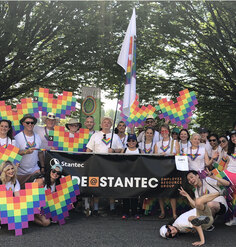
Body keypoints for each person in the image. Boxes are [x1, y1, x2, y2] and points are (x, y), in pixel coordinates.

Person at [86, 116, 123, 215]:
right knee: (96, 185)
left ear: (111, 125)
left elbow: (121, 149)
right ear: (101, 124)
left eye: (108, 122)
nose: (106, 124)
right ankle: (95, 208)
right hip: (97, 165)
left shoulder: (115, 136)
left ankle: (112, 208)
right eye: (104, 122)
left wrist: (114, 151)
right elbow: (88, 150)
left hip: (111, 165)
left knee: (110, 185)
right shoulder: (95, 136)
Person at [156, 124, 180, 220]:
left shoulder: (174, 142)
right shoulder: (157, 144)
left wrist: (169, 154)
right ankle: (162, 211)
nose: (164, 133)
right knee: (160, 191)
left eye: (165, 131)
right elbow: (154, 157)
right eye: (162, 131)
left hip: (171, 169)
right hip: (160, 169)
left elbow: (178, 155)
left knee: (172, 191)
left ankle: (174, 213)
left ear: (168, 131)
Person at [15, 114, 44, 188]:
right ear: (23, 124)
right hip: (20, 172)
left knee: (40, 183)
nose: (30, 124)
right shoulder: (17, 138)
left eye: (32, 122)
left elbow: (40, 153)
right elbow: (13, 154)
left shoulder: (37, 137)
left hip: (34, 170)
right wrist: (25, 152)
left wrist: (43, 167)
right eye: (27, 122)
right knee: (20, 193)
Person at [121, 134, 141, 219]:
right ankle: (125, 212)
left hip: (136, 175)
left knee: (135, 195)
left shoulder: (140, 150)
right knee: (125, 194)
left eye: (133, 141)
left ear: (136, 142)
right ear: (127, 142)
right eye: (129, 140)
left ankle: (134, 212)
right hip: (125, 175)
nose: (131, 142)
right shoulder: (124, 150)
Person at [224, 130, 236, 226]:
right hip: (229, 174)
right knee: (229, 197)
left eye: (235, 136)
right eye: (232, 137)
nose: (234, 138)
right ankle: (231, 217)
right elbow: (226, 164)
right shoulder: (229, 150)